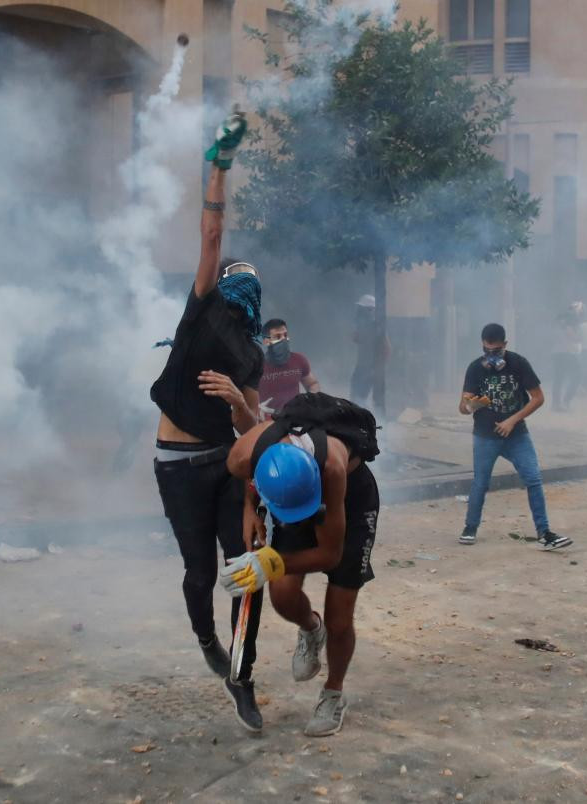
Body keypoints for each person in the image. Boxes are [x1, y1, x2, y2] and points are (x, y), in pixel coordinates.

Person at [149, 109, 267, 732]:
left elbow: (255, 422)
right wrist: (218, 167)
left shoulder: (253, 351)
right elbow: (212, 237)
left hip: (225, 464)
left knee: (247, 569)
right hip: (177, 465)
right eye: (234, 280)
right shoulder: (201, 312)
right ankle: (205, 642)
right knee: (199, 574)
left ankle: (244, 678)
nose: (242, 287)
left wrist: (237, 400)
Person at [219, 393, 380, 737]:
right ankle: (310, 628)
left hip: (348, 502)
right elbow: (246, 474)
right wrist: (251, 506)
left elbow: (330, 554)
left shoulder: (333, 467)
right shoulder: (242, 456)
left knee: (339, 618)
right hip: (288, 495)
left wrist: (267, 562)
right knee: (283, 595)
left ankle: (334, 692)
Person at [458, 323, 571, 550]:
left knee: (533, 478)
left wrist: (513, 420)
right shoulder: (475, 369)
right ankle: (470, 527)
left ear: (505, 345)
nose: (492, 356)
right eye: (488, 351)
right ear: (482, 345)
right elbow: (462, 407)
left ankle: (544, 532)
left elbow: (538, 398)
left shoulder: (519, 363)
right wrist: (474, 404)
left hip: (517, 435)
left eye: (497, 351)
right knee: (480, 483)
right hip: (485, 436)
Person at [258, 318, 321, 415]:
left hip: (295, 419)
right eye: (278, 337)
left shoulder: (299, 360)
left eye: (285, 335)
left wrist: (310, 400)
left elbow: (312, 384)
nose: (283, 340)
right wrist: (256, 408)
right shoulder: (257, 366)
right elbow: (246, 397)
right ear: (267, 341)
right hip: (266, 422)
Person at [350, 295, 389, 412]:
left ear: (371, 310)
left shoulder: (376, 327)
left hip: (370, 368)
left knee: (360, 397)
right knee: (355, 395)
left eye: (363, 310)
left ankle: (365, 419)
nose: (360, 312)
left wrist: (378, 367)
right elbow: (355, 338)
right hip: (361, 366)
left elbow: (387, 348)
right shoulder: (363, 326)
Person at [551, 304, 582, 411]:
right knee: (576, 377)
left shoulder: (557, 327)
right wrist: (577, 335)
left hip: (557, 354)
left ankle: (556, 404)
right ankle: (565, 401)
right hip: (568, 354)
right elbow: (576, 338)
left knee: (558, 379)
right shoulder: (568, 327)